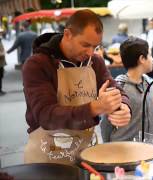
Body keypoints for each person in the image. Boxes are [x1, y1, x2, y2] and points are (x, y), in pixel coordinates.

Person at [22, 9, 131, 165]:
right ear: (68, 34)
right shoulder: (37, 64)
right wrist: (94, 108)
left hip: (87, 151)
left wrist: (123, 106)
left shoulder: (95, 62)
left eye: (95, 46)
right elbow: (46, 115)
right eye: (85, 45)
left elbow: (114, 88)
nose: (90, 52)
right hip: (48, 156)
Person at [103, 36, 153, 141]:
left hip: (150, 150)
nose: (152, 59)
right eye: (150, 55)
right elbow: (106, 125)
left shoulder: (152, 84)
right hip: (123, 152)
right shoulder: (117, 90)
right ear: (142, 59)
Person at [0, 28, 6, 96]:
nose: (1, 33)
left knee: (1, 77)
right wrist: (2, 53)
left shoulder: (0, 40)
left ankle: (0, 89)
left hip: (1, 63)